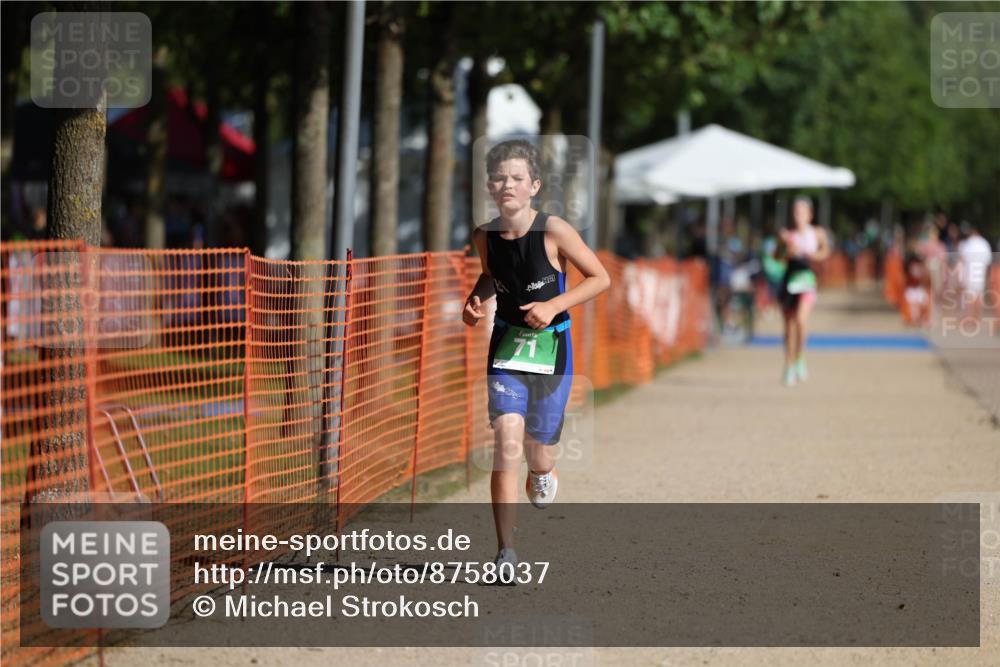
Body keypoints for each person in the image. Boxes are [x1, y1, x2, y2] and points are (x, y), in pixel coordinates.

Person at [462, 140, 610, 574]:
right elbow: (492, 277)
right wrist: (474, 302)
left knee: (537, 452)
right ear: (490, 185)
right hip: (507, 348)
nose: (507, 184)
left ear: (534, 186)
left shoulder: (554, 231)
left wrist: (554, 306)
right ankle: (505, 551)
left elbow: (599, 278)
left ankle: (543, 470)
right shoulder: (483, 236)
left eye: (517, 178)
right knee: (507, 442)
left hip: (551, 353)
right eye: (500, 177)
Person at [777, 196, 830, 387]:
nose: (797, 216)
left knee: (800, 320)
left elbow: (825, 253)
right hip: (789, 281)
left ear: (810, 214)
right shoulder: (788, 235)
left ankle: (800, 357)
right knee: (788, 328)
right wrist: (784, 246)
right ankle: (789, 365)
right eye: (795, 212)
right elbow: (777, 257)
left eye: (800, 212)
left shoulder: (817, 233)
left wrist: (810, 254)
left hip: (806, 281)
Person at [956, 222, 993, 325]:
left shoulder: (968, 243)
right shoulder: (985, 243)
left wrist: (960, 275)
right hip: (980, 273)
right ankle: (977, 317)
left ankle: (970, 317)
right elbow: (988, 262)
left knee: (970, 297)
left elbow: (962, 259)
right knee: (978, 296)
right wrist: (988, 276)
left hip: (970, 273)